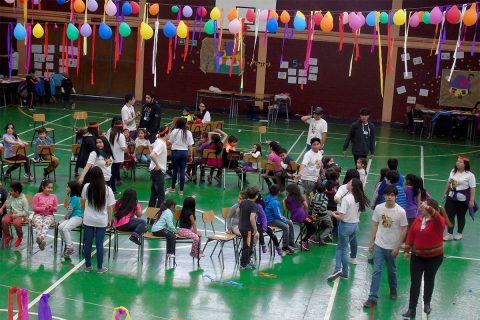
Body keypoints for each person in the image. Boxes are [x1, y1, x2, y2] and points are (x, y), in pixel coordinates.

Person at [402, 199, 452, 318]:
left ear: (430, 209)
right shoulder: (419, 219)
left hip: (434, 257)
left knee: (429, 279)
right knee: (415, 281)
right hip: (417, 256)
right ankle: (412, 308)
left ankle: (427, 303)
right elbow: (411, 235)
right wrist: (406, 250)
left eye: (424, 207)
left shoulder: (439, 221)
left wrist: (428, 207)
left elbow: (436, 216)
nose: (421, 208)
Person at [363, 185, 408, 308]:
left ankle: (393, 289)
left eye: (392, 195)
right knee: (376, 271)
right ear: (384, 195)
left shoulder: (401, 212)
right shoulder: (378, 208)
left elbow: (404, 229)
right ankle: (372, 297)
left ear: (396, 197)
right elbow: (375, 225)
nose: (389, 197)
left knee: (392, 270)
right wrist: (371, 243)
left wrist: (397, 247)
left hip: (392, 247)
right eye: (387, 194)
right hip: (379, 245)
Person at [328, 178, 369, 281]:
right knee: (343, 247)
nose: (347, 183)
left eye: (350, 183)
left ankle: (339, 270)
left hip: (345, 226)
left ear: (352, 186)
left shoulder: (347, 198)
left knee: (341, 249)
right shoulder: (359, 198)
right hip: (355, 226)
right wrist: (339, 213)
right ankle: (343, 272)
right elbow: (349, 211)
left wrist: (333, 214)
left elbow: (341, 217)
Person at [82, 167, 116, 273]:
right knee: (99, 244)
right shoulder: (108, 189)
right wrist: (110, 220)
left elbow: (83, 201)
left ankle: (88, 267)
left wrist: (86, 212)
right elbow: (110, 207)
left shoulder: (86, 187)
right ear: (102, 176)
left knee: (87, 244)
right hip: (101, 221)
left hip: (88, 219)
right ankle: (100, 268)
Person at [443, 156, 476, 241]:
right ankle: (450, 233)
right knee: (450, 215)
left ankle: (459, 233)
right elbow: (450, 182)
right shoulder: (453, 172)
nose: (457, 163)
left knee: (460, 216)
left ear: (465, 164)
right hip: (451, 197)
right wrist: (446, 192)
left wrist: (471, 200)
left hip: (463, 200)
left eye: (460, 162)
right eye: (457, 161)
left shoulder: (470, 175)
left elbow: (472, 188)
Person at [264, 184, 296, 255]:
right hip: (271, 220)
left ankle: (291, 242)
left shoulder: (267, 197)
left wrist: (286, 220)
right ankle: (285, 246)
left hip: (271, 217)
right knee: (286, 227)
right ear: (278, 192)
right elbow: (278, 215)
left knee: (290, 223)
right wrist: (285, 220)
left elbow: (278, 215)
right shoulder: (275, 202)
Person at [285, 184, 316, 251]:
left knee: (309, 222)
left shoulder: (287, 199)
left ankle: (308, 236)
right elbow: (306, 206)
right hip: (301, 217)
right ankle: (303, 241)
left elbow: (288, 208)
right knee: (313, 228)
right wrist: (305, 214)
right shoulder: (300, 197)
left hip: (293, 217)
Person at [167, 118, 194, 196]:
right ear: (185, 124)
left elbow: (169, 142)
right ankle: (181, 190)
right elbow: (190, 146)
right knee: (182, 171)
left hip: (175, 152)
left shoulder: (174, 131)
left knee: (175, 170)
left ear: (177, 124)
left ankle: (173, 188)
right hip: (184, 153)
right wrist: (191, 155)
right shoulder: (188, 132)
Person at [58, 181, 83, 257]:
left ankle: (70, 248)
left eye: (68, 187)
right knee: (60, 227)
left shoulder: (75, 198)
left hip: (78, 217)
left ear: (72, 188)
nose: (66, 188)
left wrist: (65, 218)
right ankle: (68, 244)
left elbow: (70, 211)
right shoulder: (71, 197)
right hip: (72, 217)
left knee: (65, 229)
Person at [32, 180, 58, 251]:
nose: (50, 189)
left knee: (46, 224)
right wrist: (43, 208)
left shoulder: (54, 197)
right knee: (38, 223)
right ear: (43, 187)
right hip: (38, 214)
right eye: (48, 188)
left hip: (49, 215)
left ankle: (40, 239)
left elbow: (56, 209)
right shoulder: (37, 195)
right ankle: (41, 241)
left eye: (51, 188)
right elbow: (34, 208)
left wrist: (51, 208)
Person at [237, 186, 259, 270]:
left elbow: (237, 211)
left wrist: (240, 220)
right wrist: (255, 228)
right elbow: (252, 218)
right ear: (256, 196)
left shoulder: (243, 202)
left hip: (241, 227)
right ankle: (243, 264)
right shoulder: (254, 206)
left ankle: (247, 262)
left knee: (249, 245)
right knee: (247, 246)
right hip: (248, 229)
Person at [1, 182, 29, 248]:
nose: (10, 192)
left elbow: (26, 212)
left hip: (21, 215)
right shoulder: (12, 197)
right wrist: (8, 198)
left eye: (11, 191)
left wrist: (17, 215)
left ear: (16, 192)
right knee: (4, 220)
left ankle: (20, 237)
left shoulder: (24, 200)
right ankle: (8, 236)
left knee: (16, 223)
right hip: (12, 213)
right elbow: (8, 207)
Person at [296, 137, 323, 202]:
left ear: (320, 144)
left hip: (315, 178)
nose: (316, 146)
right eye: (314, 144)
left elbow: (318, 164)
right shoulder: (308, 155)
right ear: (311, 145)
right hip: (308, 179)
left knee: (312, 194)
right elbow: (303, 164)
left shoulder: (319, 153)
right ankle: (307, 210)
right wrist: (299, 174)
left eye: (317, 144)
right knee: (309, 195)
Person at [148, 126, 168, 208]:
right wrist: (158, 165)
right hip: (158, 172)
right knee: (161, 196)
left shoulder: (157, 141)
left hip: (154, 172)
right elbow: (152, 155)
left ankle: (150, 216)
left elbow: (150, 145)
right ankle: (157, 216)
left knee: (153, 195)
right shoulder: (161, 144)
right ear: (166, 134)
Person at [108, 120, 127, 194]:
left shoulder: (109, 133)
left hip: (108, 157)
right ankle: (113, 190)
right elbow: (123, 148)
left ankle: (107, 188)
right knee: (113, 174)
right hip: (117, 159)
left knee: (107, 172)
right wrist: (127, 147)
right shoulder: (121, 135)